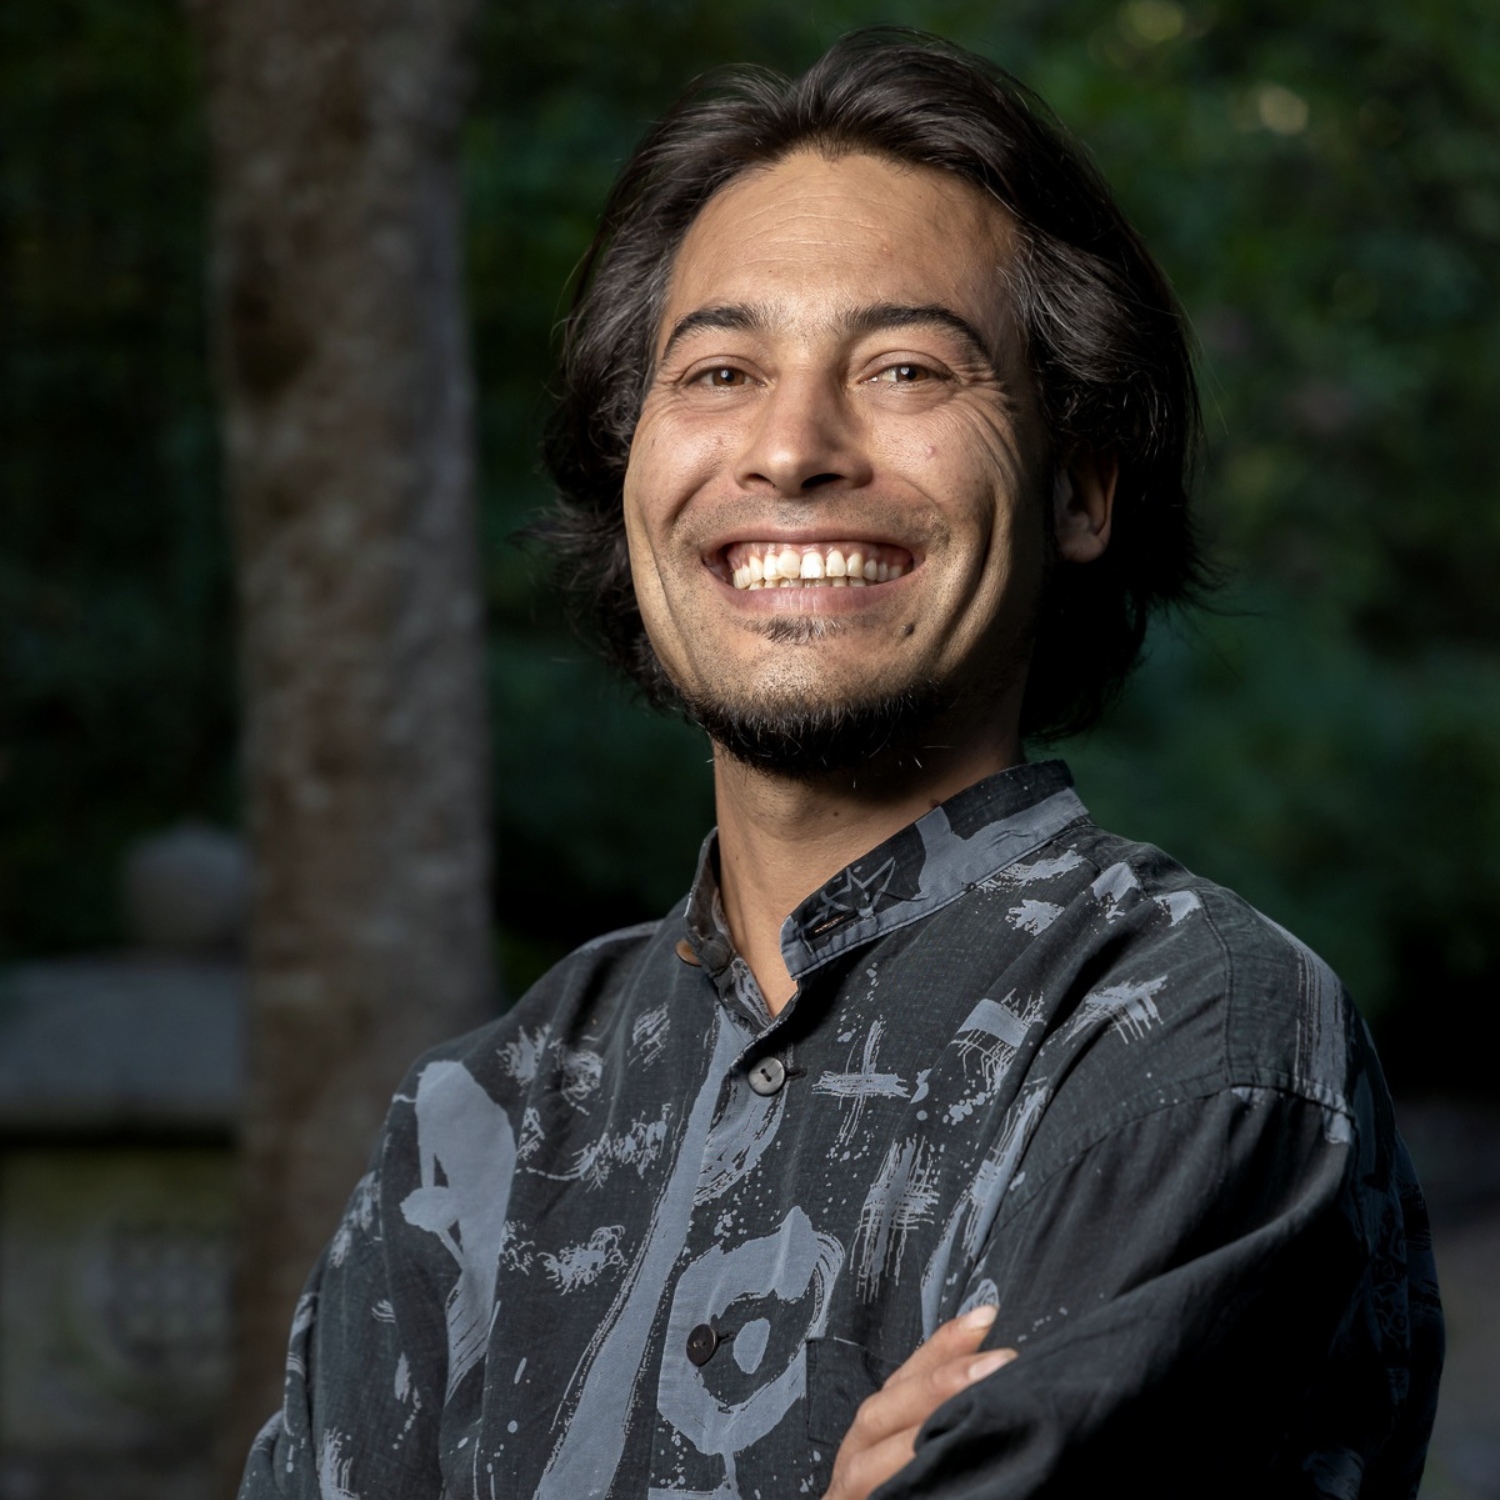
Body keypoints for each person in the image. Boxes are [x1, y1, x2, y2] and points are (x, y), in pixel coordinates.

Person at [239, 29, 1442, 1500]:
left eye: (905, 367)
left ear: (1078, 489)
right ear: (632, 473)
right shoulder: (476, 1120)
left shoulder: (1194, 1042)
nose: (791, 447)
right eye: (720, 370)